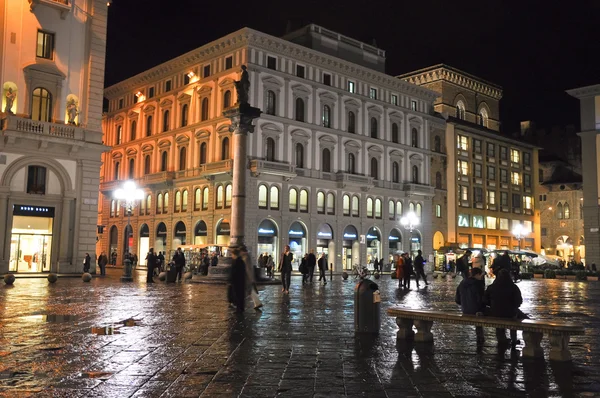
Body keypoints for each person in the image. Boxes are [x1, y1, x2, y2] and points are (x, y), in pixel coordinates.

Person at [484, 269, 524, 348]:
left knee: (499, 325)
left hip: (495, 312)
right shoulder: (513, 287)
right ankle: (514, 339)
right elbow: (519, 301)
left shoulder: (492, 287)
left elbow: (485, 300)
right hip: (510, 313)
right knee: (514, 320)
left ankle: (501, 340)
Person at [456, 267, 486, 343]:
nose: (481, 277)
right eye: (480, 275)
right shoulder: (478, 284)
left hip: (465, 309)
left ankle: (480, 336)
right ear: (477, 275)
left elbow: (457, 299)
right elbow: (481, 300)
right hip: (476, 311)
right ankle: (481, 336)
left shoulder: (462, 283)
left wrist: (465, 303)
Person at [229, 248, 246, 312]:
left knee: (238, 295)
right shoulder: (241, 261)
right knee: (240, 295)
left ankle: (239, 309)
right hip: (240, 281)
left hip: (237, 282)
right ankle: (240, 308)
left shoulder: (237, 261)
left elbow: (234, 272)